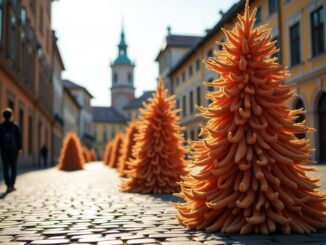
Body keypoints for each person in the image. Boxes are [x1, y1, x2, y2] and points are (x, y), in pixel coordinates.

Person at [0, 108, 22, 193]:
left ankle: (8, 185)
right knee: (13, 167)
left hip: (4, 149)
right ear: (11, 115)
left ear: (3, 116)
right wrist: (19, 148)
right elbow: (19, 138)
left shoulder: (1, 126)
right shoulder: (15, 126)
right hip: (14, 149)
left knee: (5, 167)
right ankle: (12, 185)